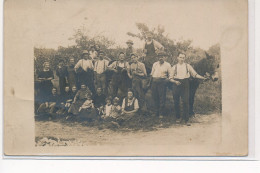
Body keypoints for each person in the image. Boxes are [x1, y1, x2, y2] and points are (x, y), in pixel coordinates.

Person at [170, 53, 206, 125]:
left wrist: (203, 77)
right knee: (176, 101)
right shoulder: (174, 67)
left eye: (183, 58)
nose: (182, 59)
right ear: (177, 58)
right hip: (176, 84)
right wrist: (175, 81)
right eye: (180, 57)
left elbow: (195, 74)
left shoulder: (188, 66)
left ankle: (186, 119)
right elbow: (170, 78)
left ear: (184, 58)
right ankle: (178, 117)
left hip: (185, 83)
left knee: (186, 101)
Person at [150, 52, 172, 118]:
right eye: (159, 56)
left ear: (165, 57)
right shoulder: (155, 64)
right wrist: (151, 81)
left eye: (162, 56)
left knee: (162, 97)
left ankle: (161, 113)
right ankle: (156, 112)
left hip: (162, 82)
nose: (161, 58)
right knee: (154, 97)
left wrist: (167, 80)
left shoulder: (167, 65)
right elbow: (152, 73)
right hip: (154, 81)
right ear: (157, 57)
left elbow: (171, 74)